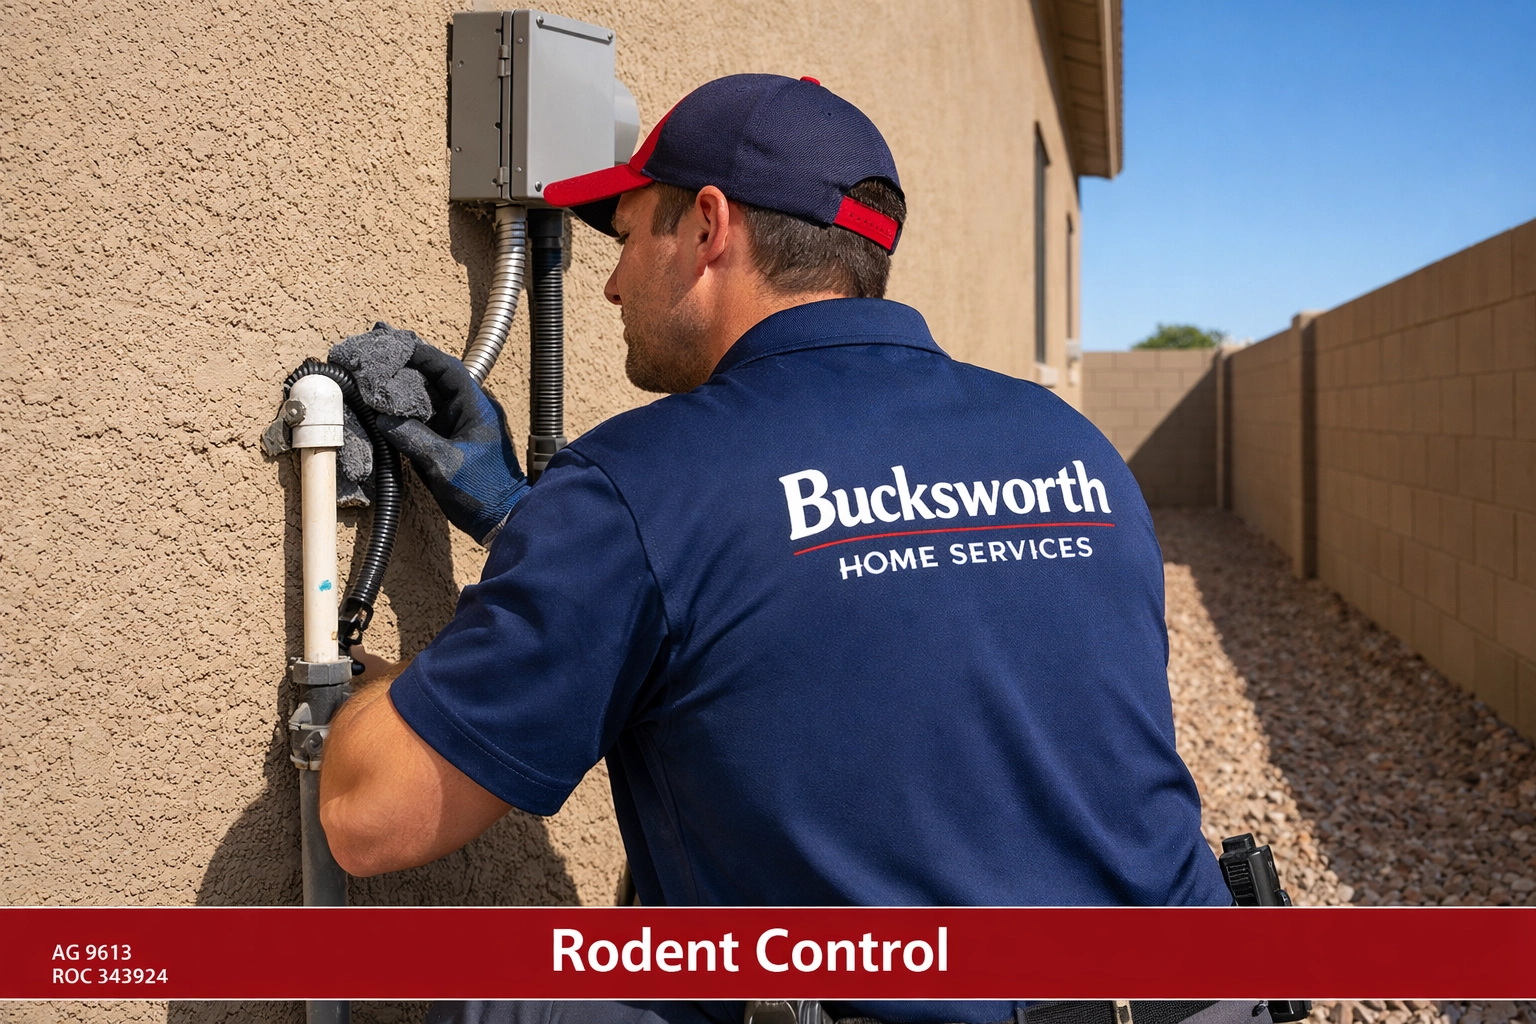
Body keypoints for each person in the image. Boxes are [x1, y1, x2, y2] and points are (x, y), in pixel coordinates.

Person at [319, 74, 1237, 1024]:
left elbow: (369, 820)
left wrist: (377, 691)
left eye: (632, 235)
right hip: (1208, 1000)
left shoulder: (647, 477)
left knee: (504, 993)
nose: (612, 280)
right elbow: (844, 610)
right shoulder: (1070, 444)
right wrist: (533, 526)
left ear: (710, 227)